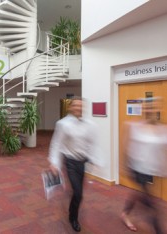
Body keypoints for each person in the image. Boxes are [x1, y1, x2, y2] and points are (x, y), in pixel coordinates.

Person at [120, 97, 167, 233]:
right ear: (143, 109)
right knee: (153, 206)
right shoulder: (133, 126)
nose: (150, 109)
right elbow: (125, 148)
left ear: (159, 109)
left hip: (151, 170)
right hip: (136, 169)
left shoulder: (165, 129)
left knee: (138, 193)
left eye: (153, 107)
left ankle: (125, 213)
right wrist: (123, 166)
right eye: (148, 107)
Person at [48, 97, 98, 232]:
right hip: (70, 162)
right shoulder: (63, 124)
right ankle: (73, 218)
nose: (78, 108)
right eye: (76, 106)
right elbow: (56, 144)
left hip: (82, 162)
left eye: (81, 106)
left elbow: (91, 143)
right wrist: (54, 163)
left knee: (78, 191)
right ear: (70, 107)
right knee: (78, 192)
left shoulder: (89, 124)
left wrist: (93, 159)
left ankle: (73, 203)